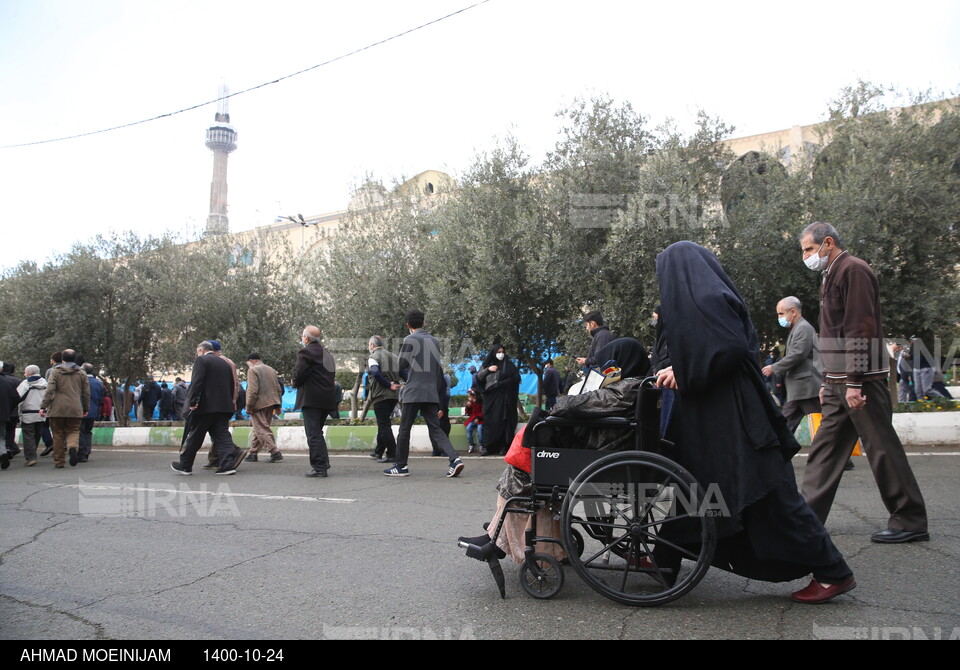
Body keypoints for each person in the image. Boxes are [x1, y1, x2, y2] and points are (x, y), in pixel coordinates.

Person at [654, 241, 855, 604]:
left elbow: (728, 348)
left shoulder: (709, 299)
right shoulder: (705, 296)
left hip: (737, 420)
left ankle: (833, 571)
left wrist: (684, 371)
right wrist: (678, 368)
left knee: (770, 496)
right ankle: (662, 560)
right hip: (717, 419)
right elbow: (699, 349)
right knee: (692, 491)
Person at [798, 222, 928, 544]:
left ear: (828, 243)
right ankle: (803, 522)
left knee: (882, 449)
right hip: (840, 382)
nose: (806, 256)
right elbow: (833, 332)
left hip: (860, 383)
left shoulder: (854, 270)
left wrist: (854, 381)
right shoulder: (832, 274)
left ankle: (910, 520)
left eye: (809, 249)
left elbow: (860, 328)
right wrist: (829, 379)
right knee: (824, 452)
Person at [384, 309, 464, 478]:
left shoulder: (409, 339)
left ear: (407, 325)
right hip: (431, 392)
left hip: (413, 392)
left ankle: (401, 466)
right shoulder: (434, 341)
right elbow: (437, 369)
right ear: (424, 323)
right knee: (436, 429)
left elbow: (400, 365)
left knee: (404, 429)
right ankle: (454, 459)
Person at [171, 341, 245, 476]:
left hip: (205, 407)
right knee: (223, 436)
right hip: (224, 406)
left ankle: (185, 465)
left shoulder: (201, 361)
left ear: (201, 350)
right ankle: (227, 465)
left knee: (195, 436)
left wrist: (192, 401)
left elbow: (197, 382)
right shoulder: (225, 363)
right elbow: (231, 384)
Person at [761, 297, 822, 434]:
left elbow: (797, 354)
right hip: (799, 389)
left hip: (807, 389)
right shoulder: (798, 328)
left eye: (781, 313)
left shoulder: (803, 328)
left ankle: (836, 454)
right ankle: (778, 453)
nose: (779, 317)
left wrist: (774, 368)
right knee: (785, 426)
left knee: (822, 429)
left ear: (793, 312)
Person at [293, 325, 337, 478]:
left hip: (311, 398)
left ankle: (319, 467)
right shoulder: (327, 353)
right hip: (327, 398)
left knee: (313, 433)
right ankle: (323, 463)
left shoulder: (305, 352)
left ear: (306, 338)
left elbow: (299, 374)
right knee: (317, 432)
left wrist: (295, 383)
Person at [39, 349, 90, 469]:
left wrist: (43, 406)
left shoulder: (55, 372)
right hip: (75, 408)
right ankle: (72, 447)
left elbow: (49, 390)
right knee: (73, 431)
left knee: (57, 434)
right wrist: (86, 407)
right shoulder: (81, 373)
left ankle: (59, 461)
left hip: (57, 409)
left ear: (62, 359)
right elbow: (86, 392)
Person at [476, 345, 520, 456]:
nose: (501, 354)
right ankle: (488, 447)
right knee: (491, 422)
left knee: (503, 422)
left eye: (502, 352)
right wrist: (488, 370)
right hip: (490, 400)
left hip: (505, 400)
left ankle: (503, 446)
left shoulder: (509, 366)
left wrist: (501, 384)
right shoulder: (486, 365)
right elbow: (479, 378)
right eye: (498, 352)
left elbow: (515, 379)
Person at [365, 335, 401, 463]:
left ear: (372, 345)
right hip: (394, 395)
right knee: (383, 421)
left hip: (381, 394)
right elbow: (403, 372)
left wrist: (388, 385)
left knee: (384, 424)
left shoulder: (373, 357)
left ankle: (392, 453)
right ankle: (378, 451)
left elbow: (375, 372)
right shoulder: (394, 357)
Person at [244, 353, 283, 463]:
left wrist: (249, 406)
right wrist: (278, 405)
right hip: (271, 403)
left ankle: (274, 451)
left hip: (258, 404)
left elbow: (252, 390)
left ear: (251, 361)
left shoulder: (253, 370)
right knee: (260, 428)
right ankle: (253, 453)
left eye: (247, 363)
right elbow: (278, 388)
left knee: (261, 428)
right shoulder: (271, 370)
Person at [17, 365, 47, 466]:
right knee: (37, 434)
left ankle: (31, 457)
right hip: (41, 413)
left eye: (25, 372)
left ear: (29, 373)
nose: (25, 374)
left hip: (27, 413)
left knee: (28, 435)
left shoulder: (25, 384)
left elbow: (18, 397)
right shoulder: (45, 383)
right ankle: (33, 453)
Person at [78, 363, 104, 463]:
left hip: (81, 410)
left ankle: (82, 452)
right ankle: (87, 451)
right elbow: (101, 398)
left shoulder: (80, 381)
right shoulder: (98, 383)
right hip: (93, 411)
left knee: (80, 431)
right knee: (88, 431)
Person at [463, 389, 483, 453]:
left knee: (480, 430)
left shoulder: (481, 402)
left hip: (480, 420)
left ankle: (481, 445)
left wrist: (478, 418)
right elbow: (468, 412)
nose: (469, 398)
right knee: (468, 429)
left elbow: (483, 412)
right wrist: (468, 406)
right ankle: (471, 443)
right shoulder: (471, 403)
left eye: (470, 396)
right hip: (472, 419)